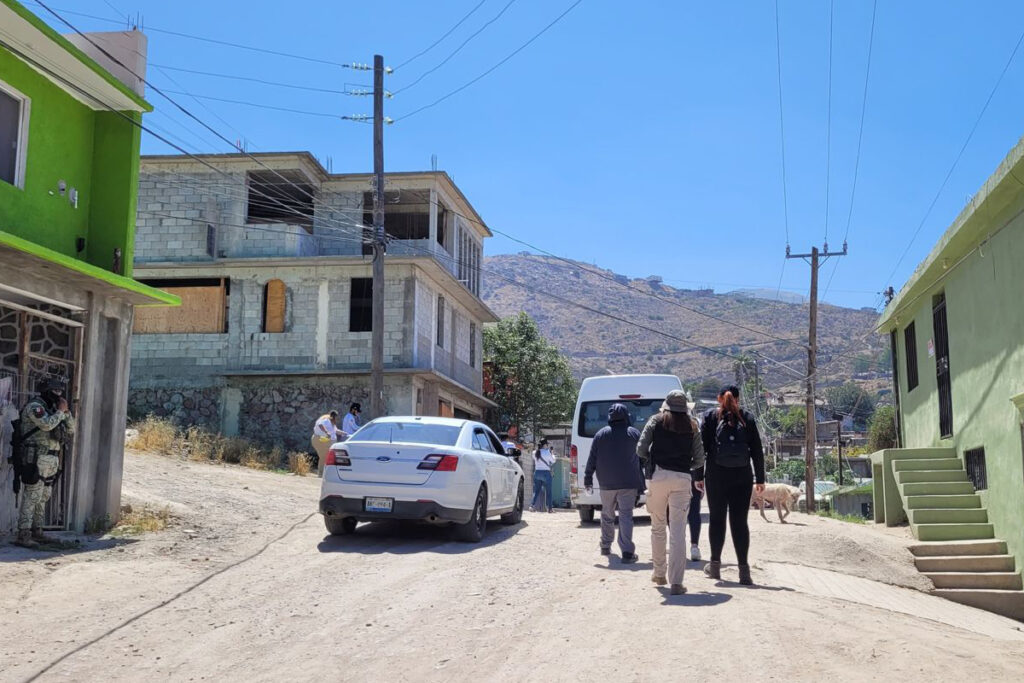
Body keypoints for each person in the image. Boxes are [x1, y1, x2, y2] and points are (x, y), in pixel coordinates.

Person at [637, 390, 705, 595]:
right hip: (682, 479)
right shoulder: (693, 425)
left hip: (658, 477)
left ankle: (659, 574)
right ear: (685, 408)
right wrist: (685, 466)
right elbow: (700, 459)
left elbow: (640, 449)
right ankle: (676, 583)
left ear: (666, 405)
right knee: (677, 532)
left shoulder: (655, 420)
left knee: (658, 527)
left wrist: (652, 460)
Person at [700, 385, 765, 586]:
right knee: (740, 522)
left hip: (715, 476)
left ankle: (715, 567)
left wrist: (698, 476)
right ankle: (744, 572)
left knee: (717, 520)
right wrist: (760, 479)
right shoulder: (747, 418)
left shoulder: (710, 417)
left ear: (719, 398)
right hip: (742, 476)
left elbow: (701, 449)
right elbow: (757, 450)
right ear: (738, 398)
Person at [13, 378, 75, 549]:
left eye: (60, 391)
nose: (59, 394)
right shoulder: (35, 407)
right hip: (36, 458)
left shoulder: (54, 409)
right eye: (55, 391)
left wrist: (66, 412)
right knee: (32, 495)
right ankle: (23, 533)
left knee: (44, 496)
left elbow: (71, 429)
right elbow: (47, 425)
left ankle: (37, 531)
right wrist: (60, 412)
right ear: (46, 391)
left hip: (51, 459)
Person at [584, 403, 644, 562]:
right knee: (626, 516)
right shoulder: (633, 433)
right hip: (628, 483)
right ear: (626, 416)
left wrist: (588, 479)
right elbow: (643, 457)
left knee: (607, 514)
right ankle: (627, 552)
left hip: (606, 483)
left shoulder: (600, 434)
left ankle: (605, 545)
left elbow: (592, 459)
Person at [529, 438, 556, 513]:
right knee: (549, 492)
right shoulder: (547, 452)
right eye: (547, 444)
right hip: (546, 473)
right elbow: (553, 461)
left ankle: (532, 506)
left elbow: (535, 457)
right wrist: (552, 453)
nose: (547, 446)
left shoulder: (534, 452)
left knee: (536, 491)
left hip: (537, 473)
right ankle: (550, 509)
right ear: (544, 445)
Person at [311, 410, 341, 476]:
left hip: (324, 441)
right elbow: (320, 425)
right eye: (336, 417)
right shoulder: (326, 419)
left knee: (325, 457)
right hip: (320, 440)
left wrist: (345, 433)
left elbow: (336, 431)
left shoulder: (331, 422)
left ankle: (323, 473)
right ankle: (321, 473)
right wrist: (326, 432)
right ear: (334, 416)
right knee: (324, 457)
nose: (337, 419)